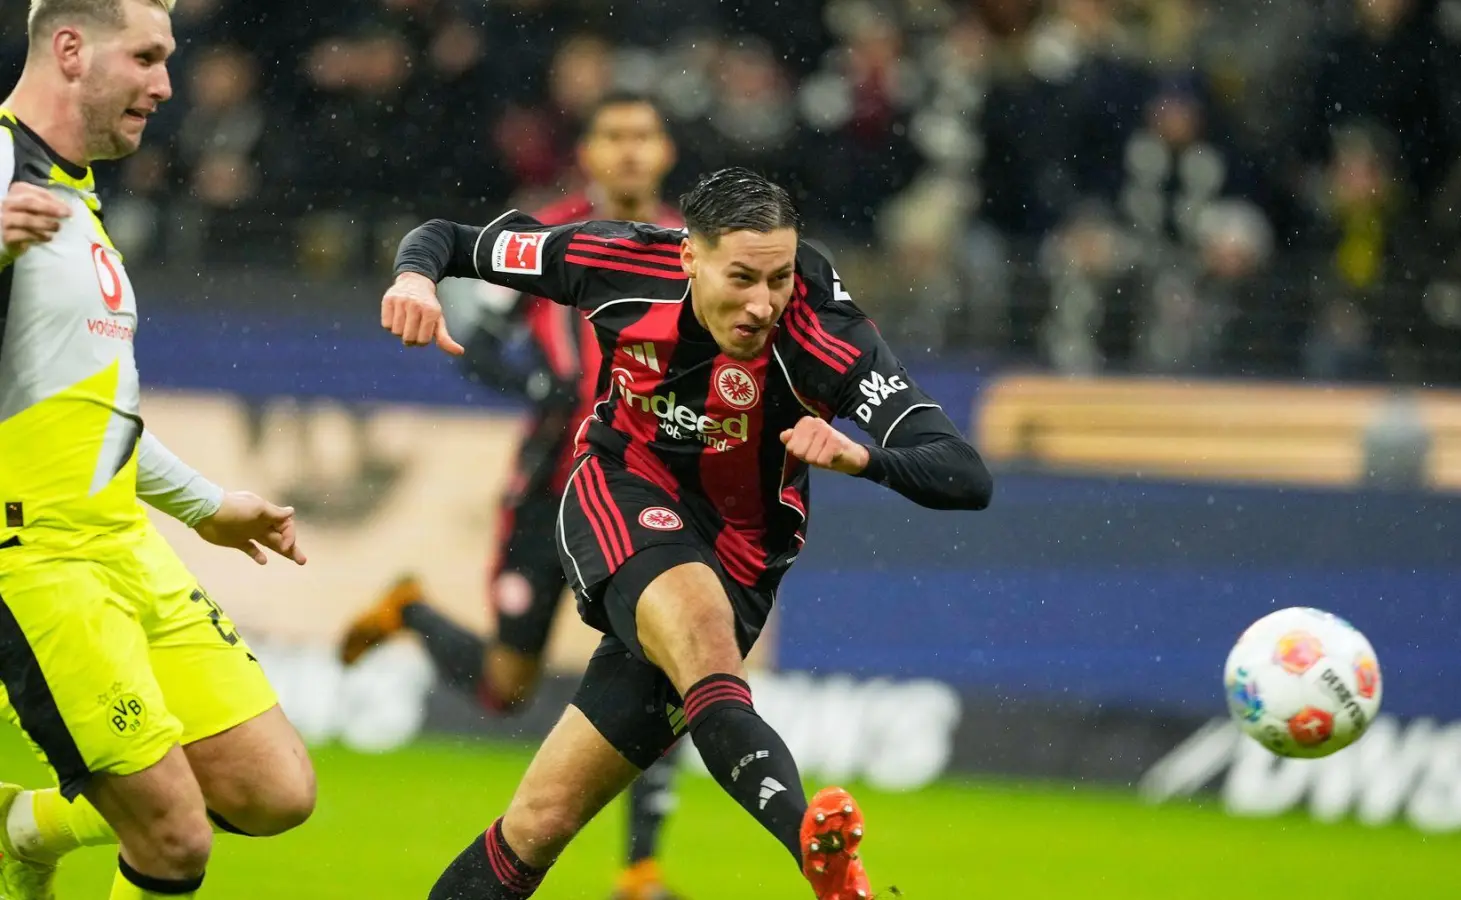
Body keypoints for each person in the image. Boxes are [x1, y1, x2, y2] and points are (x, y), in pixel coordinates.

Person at [381, 166, 993, 900]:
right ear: (688, 256)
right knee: (701, 636)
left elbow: (963, 474)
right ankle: (821, 861)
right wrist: (414, 280)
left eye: (778, 278)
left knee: (538, 822)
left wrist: (863, 457)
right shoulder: (614, 260)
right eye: (741, 278)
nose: (762, 303)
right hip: (622, 490)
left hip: (743, 561)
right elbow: (447, 240)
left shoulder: (827, 336)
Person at [338, 91, 689, 900]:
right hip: (549, 486)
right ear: (590, 153)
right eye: (614, 136)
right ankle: (412, 611)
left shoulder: (692, 246)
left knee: (665, 658)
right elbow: (472, 328)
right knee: (506, 689)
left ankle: (640, 867)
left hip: (647, 488)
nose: (631, 151)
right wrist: (539, 378)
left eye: (645, 135)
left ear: (665, 152)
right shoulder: (541, 238)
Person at [0, 3, 316, 899]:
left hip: (120, 547)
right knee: (176, 840)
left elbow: (93, 412)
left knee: (273, 790)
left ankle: (24, 827)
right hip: (31, 560)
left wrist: (206, 505)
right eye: (145, 57)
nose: (166, 85)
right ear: (70, 49)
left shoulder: (76, 200)